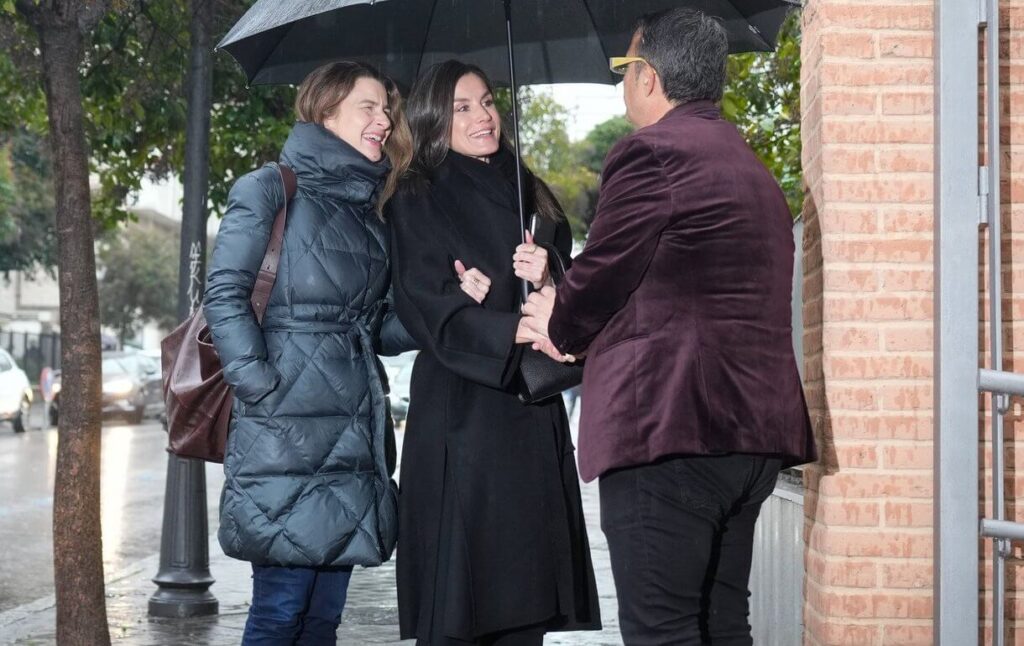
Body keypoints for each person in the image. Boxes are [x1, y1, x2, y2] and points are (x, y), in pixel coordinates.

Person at [522, 9, 817, 645]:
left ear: (649, 78)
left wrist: (557, 318)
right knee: (721, 625)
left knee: (664, 633)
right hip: (752, 437)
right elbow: (677, 287)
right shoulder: (749, 165)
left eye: (624, 70)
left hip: (671, 430)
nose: (623, 84)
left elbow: (602, 274)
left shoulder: (651, 154)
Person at [206, 61, 445, 645]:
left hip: (352, 435)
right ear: (325, 110)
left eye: (386, 110)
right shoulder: (268, 189)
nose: (385, 120)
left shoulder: (369, 216)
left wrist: (437, 309)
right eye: (369, 107)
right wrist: (261, 386)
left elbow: (377, 331)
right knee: (280, 610)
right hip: (282, 432)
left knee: (322, 619)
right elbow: (225, 293)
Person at [387, 60, 601, 646]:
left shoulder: (528, 186)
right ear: (434, 118)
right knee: (463, 606)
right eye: (462, 107)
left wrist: (551, 276)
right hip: (463, 414)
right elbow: (423, 303)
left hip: (530, 411)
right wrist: (509, 327)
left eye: (486, 102)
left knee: (526, 604)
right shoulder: (418, 193)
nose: (483, 117)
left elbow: (576, 290)